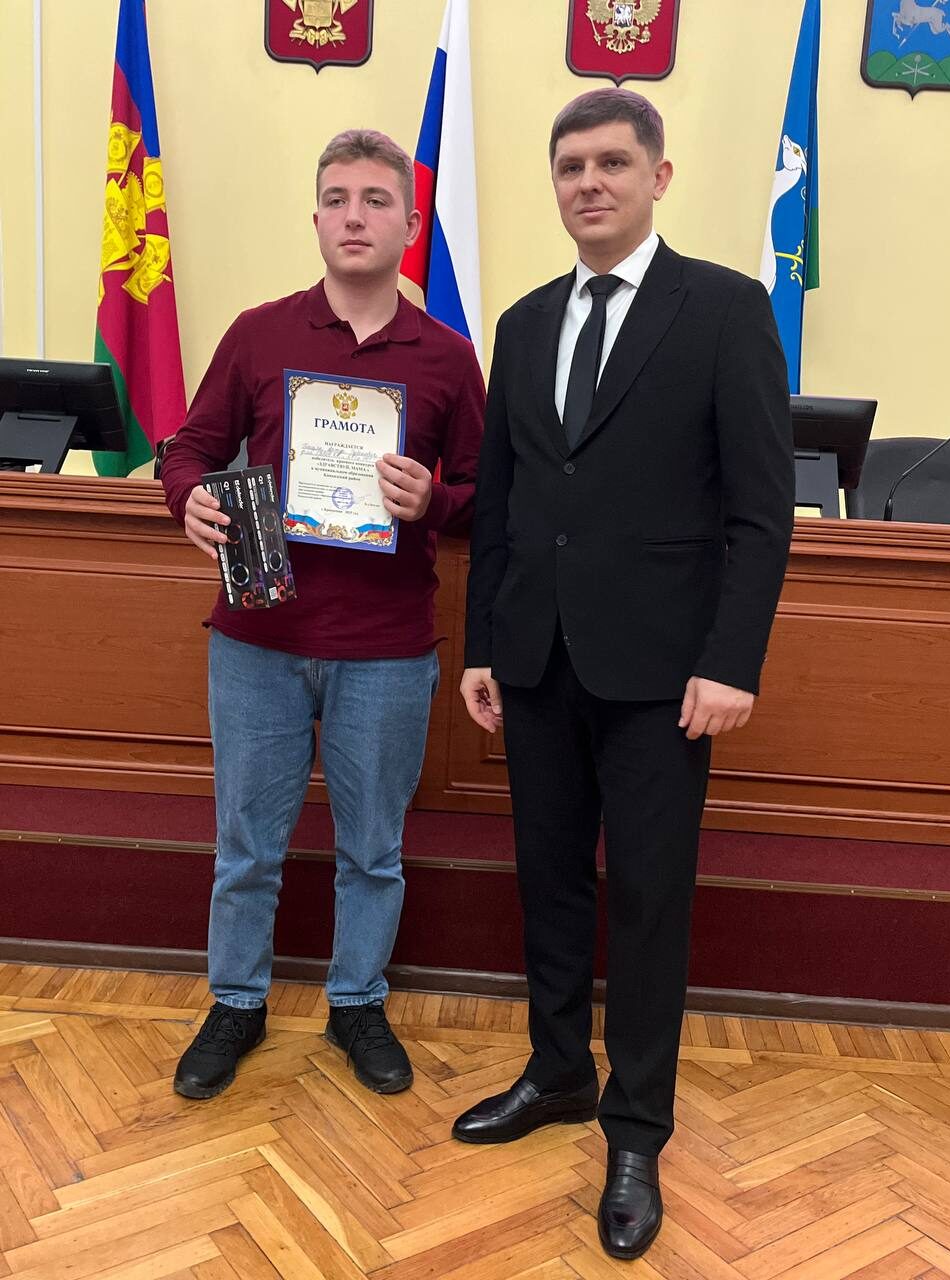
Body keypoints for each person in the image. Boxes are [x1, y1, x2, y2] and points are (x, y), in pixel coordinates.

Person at [454, 88, 794, 1261]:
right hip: (536, 658)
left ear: (658, 175)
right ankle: (557, 1069)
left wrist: (732, 660)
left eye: (610, 162)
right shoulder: (523, 323)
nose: (588, 183)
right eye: (570, 167)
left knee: (648, 900)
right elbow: (502, 504)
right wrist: (483, 643)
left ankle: (636, 1127)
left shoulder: (727, 308)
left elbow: (761, 511)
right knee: (549, 880)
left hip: (664, 678)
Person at [161, 129, 484, 1102]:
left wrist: (435, 501)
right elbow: (189, 447)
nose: (355, 215)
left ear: (409, 225)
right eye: (338, 198)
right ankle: (236, 1002)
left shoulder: (448, 357)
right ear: (315, 219)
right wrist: (186, 498)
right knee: (246, 847)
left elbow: (488, 494)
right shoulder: (259, 335)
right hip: (257, 639)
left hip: (385, 652)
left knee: (372, 850)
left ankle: (356, 1001)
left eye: (376, 199)